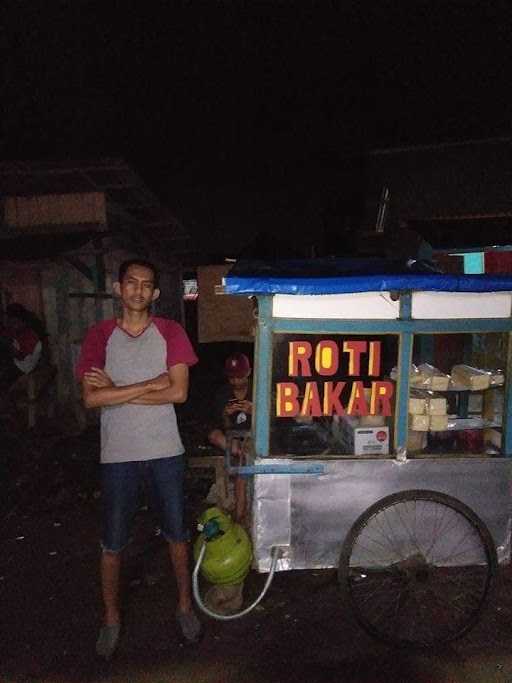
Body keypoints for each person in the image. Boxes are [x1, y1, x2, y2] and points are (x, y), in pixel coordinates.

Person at [76, 258, 201, 659]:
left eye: (147, 285)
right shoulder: (99, 336)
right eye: (132, 283)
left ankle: (184, 607)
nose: (139, 291)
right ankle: (111, 619)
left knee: (178, 535)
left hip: (166, 451)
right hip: (118, 455)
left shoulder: (171, 332)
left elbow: (178, 393)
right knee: (112, 542)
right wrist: (151, 383)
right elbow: (92, 398)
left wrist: (119, 388)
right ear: (118, 288)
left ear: (156, 293)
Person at [207, 352, 252, 523]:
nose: (236, 382)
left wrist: (254, 411)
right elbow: (224, 427)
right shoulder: (223, 393)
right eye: (232, 378)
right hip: (234, 439)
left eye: (240, 377)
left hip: (253, 436)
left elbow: (270, 422)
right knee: (214, 435)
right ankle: (242, 452)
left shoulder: (258, 388)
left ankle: (239, 517)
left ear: (248, 373)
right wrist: (226, 414)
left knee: (242, 467)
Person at [0, 303, 43, 388]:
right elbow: (6, 333)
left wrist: (8, 344)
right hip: (15, 363)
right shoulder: (16, 330)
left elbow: (21, 356)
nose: (11, 324)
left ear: (21, 320)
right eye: (10, 321)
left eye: (13, 322)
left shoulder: (30, 335)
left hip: (24, 367)